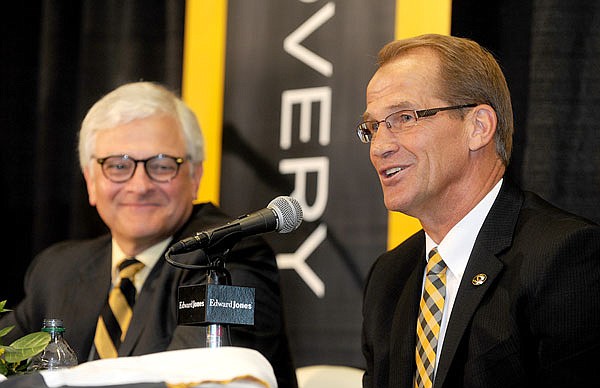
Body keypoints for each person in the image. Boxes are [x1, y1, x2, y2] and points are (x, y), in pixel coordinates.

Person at [0, 81, 298, 387]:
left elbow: (195, 380)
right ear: (90, 180)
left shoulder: (230, 256)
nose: (140, 186)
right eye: (117, 166)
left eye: (161, 165)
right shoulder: (57, 270)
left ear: (195, 176)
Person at [358, 34, 600, 388]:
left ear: (479, 127)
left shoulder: (564, 257)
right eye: (372, 127)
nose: (379, 147)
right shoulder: (389, 276)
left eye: (404, 117)